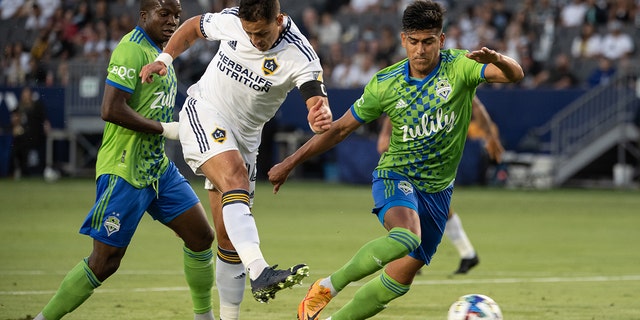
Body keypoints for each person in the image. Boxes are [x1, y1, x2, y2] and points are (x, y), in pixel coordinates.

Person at [268, 1, 524, 319]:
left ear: (441, 41)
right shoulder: (385, 83)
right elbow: (340, 130)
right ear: (403, 40)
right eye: (414, 42)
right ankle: (327, 286)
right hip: (396, 175)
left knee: (399, 281)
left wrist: (499, 59)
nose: (420, 50)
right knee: (406, 237)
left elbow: (514, 74)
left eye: (428, 42)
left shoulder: (460, 66)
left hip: (438, 191)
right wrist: (290, 162)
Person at [139, 0, 333, 318]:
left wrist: (318, 113)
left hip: (245, 141)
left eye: (262, 33)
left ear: (280, 20)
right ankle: (259, 271)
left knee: (229, 241)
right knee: (236, 179)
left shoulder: (300, 55)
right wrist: (165, 58)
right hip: (205, 110)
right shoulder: (231, 20)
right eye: (249, 33)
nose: (256, 40)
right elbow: (193, 27)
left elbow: (314, 97)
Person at [33, 1, 216, 319]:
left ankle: (204, 317)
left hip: (157, 168)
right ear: (144, 16)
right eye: (164, 14)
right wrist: (164, 128)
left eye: (176, 15)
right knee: (104, 262)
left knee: (202, 237)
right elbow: (111, 109)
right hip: (125, 168)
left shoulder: (162, 54)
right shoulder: (132, 50)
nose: (173, 21)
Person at [377, 95, 505, 275]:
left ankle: (412, 254)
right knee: (424, 202)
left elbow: (475, 105)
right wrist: (384, 134)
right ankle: (465, 253)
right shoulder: (411, 82)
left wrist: (490, 135)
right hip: (416, 149)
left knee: (421, 201)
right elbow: (395, 108)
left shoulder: (451, 78)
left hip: (440, 152)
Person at [10, 86, 50, 179]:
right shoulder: (19, 106)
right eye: (24, 94)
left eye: (27, 94)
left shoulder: (37, 105)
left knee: (25, 143)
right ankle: (18, 169)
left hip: (35, 134)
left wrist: (46, 125)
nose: (26, 96)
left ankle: (29, 170)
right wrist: (16, 122)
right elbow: (14, 117)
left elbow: (44, 119)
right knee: (16, 145)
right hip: (23, 135)